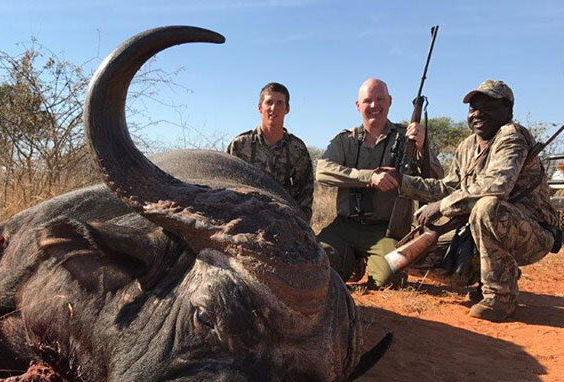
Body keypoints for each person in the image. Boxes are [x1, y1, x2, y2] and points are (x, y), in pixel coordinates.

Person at [390, 80, 560, 322]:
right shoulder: (467, 145)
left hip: (533, 234)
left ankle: (500, 297)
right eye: (473, 108)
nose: (478, 113)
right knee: (409, 259)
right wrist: (402, 182)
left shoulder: (511, 136)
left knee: (487, 207)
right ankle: (494, 273)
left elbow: (495, 187)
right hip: (478, 229)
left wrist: (440, 207)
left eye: (488, 106)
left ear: (507, 111)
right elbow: (449, 187)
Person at [315, 78, 443, 288]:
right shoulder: (344, 140)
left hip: (385, 230)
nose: (374, 106)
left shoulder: (406, 137)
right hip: (344, 226)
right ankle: (352, 260)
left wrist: (422, 147)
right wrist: (369, 177)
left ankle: (367, 260)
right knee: (316, 265)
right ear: (358, 106)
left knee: (390, 279)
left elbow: (437, 179)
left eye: (380, 99)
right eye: (368, 101)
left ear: (390, 101)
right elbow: (322, 171)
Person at [226, 82, 314, 224]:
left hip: (282, 220)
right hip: (243, 218)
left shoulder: (297, 149)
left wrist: (299, 226)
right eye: (269, 103)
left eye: (280, 103)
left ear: (287, 109)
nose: (274, 108)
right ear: (260, 108)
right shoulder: (240, 145)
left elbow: (305, 195)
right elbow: (225, 185)